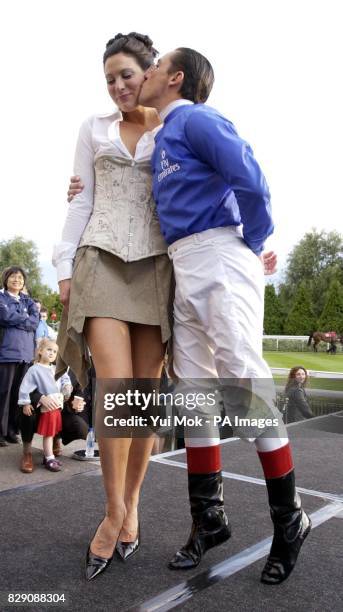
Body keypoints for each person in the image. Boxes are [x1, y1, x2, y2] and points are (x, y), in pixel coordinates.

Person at [134, 47, 311, 585]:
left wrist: (249, 245)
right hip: (184, 262)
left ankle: (290, 520)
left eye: (155, 64)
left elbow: (251, 181)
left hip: (219, 255)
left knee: (243, 381)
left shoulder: (199, 118)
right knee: (194, 391)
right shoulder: (162, 135)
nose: (147, 72)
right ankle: (209, 519)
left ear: (177, 77)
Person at [52, 32, 175, 581]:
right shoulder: (92, 129)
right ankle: (112, 514)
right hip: (99, 258)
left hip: (156, 266)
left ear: (149, 71)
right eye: (109, 79)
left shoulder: (175, 126)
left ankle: (133, 507)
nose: (118, 85)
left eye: (126, 73)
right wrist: (62, 268)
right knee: (116, 387)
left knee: (143, 403)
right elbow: (81, 198)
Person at [18, 338, 72, 472]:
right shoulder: (34, 370)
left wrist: (67, 385)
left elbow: (65, 377)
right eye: (49, 350)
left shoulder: (56, 369)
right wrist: (25, 403)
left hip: (56, 406)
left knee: (52, 432)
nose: (52, 353)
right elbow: (25, 387)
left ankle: (49, 454)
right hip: (43, 407)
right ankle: (46, 457)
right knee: (48, 432)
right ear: (40, 351)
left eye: (55, 351)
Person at [0, 266, 39, 446]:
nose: (17, 280)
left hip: (25, 354)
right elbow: (5, 316)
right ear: (6, 279)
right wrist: (25, 319)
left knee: (19, 394)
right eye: (13, 277)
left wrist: (20, 319)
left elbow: (35, 321)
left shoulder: (28, 300)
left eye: (20, 278)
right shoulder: (1, 298)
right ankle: (0, 432)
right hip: (7, 353)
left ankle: (11, 430)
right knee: (4, 393)